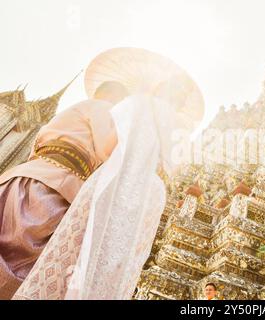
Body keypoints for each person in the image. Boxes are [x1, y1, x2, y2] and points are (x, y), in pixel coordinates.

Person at [11, 47, 204, 300]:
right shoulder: (170, 125)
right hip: (123, 187)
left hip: (54, 177)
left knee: (81, 255)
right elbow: (163, 162)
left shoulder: (126, 107)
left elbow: (108, 149)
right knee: (103, 260)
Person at [0, 80, 130, 300]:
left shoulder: (71, 112)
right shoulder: (103, 108)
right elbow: (107, 151)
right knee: (33, 266)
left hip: (23, 177)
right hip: (55, 187)